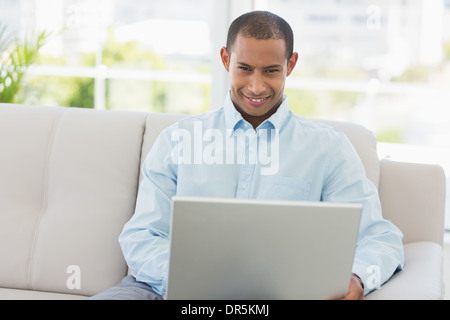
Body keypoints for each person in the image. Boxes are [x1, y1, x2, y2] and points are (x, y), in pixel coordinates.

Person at [89, 10, 404, 300]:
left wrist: (358, 277)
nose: (256, 86)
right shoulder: (178, 140)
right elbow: (142, 235)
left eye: (271, 71)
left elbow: (380, 238)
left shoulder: (328, 149)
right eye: (245, 69)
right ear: (226, 59)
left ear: (290, 65)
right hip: (164, 291)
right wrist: (199, 283)